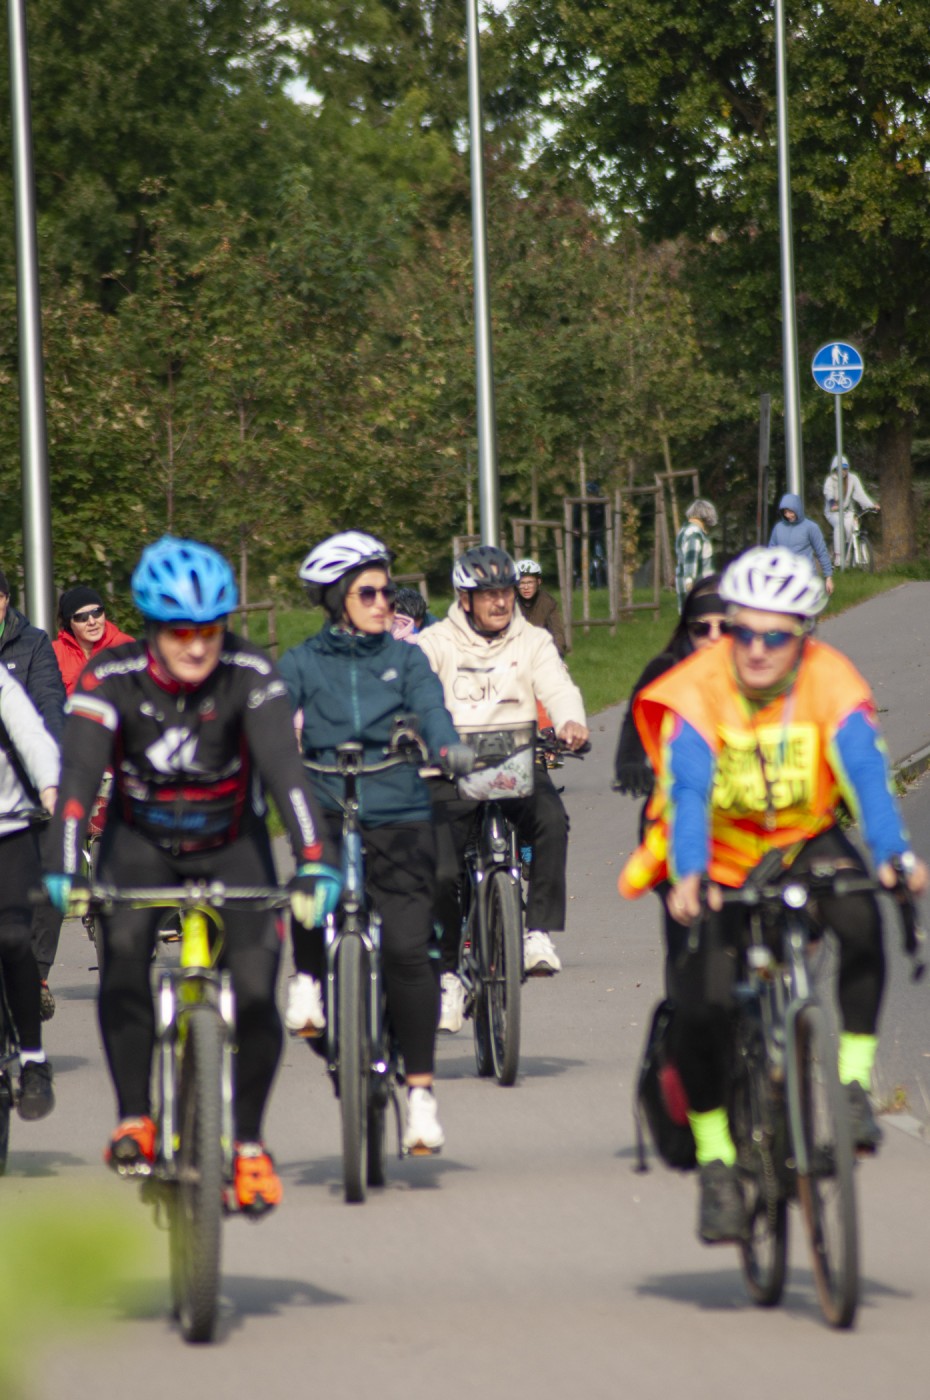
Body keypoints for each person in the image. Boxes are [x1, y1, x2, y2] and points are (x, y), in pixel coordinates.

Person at [619, 547, 927, 1245]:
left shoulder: (829, 680)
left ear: (804, 635)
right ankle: (717, 1164)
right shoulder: (697, 689)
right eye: (742, 632)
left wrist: (893, 854)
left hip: (800, 836)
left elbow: (867, 776)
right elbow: (687, 791)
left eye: (775, 636)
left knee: (862, 919)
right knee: (703, 1006)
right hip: (719, 851)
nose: (756, 649)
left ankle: (852, 1086)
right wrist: (689, 875)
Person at [42, 536, 339, 1218]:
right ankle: (135, 1117)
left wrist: (314, 858)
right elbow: (79, 777)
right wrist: (63, 864)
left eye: (210, 629)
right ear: (151, 628)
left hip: (233, 845)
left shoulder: (250, 672)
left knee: (259, 991)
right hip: (138, 844)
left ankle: (250, 1145)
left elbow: (286, 774)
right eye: (181, 632)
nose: (198, 646)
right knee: (122, 955)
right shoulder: (110, 675)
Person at [278, 532, 468, 1155]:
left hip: (399, 809)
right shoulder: (302, 662)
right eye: (369, 593)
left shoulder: (407, 660)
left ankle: (420, 1097)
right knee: (311, 886)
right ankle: (309, 979)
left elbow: (431, 708)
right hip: (327, 803)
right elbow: (271, 722)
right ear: (338, 598)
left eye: (387, 591)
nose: (384, 602)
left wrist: (446, 745)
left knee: (411, 953)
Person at [417, 545, 588, 1030]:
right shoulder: (435, 643)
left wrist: (570, 720)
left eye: (506, 592)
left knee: (552, 821)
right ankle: (449, 976)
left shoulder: (532, 640)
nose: (500, 602)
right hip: (451, 769)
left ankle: (537, 933)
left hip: (515, 762)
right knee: (439, 870)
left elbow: (557, 685)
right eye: (488, 594)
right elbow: (414, 693)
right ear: (464, 598)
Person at [0, 567, 66, 1022]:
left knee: (47, 881)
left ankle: (37, 974)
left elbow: (48, 706)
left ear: (6, 599)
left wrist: (54, 776)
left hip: (27, 786)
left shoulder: (33, 643)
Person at [0, 664, 59, 1121]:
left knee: (13, 937)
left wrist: (50, 785)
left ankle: (34, 1060)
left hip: (8, 829)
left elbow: (29, 730)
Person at [614, 575, 727, 802]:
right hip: (676, 792)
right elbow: (636, 719)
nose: (714, 637)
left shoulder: (758, 670)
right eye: (701, 628)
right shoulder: (665, 669)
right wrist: (630, 762)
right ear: (688, 630)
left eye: (725, 627)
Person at [52, 586, 135, 694]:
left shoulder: (126, 646)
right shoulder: (54, 653)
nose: (92, 622)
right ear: (69, 623)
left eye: (97, 612)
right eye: (82, 617)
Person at [767, 494, 834, 595]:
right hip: (784, 579)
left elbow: (822, 552)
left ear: (797, 509)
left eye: (791, 512)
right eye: (785, 512)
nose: (788, 515)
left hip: (806, 578)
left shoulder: (811, 528)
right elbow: (771, 553)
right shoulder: (778, 528)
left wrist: (828, 577)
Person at [823, 456, 879, 564]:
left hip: (847, 511)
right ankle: (838, 557)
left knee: (851, 529)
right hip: (833, 512)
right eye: (840, 469)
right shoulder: (830, 480)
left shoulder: (853, 479)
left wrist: (871, 505)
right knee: (839, 525)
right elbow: (828, 493)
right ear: (835, 469)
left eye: (845, 469)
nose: (843, 472)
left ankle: (849, 559)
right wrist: (833, 504)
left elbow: (860, 494)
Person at [515, 558, 567, 657]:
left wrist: (556, 656)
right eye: (522, 583)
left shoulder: (548, 603)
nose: (526, 587)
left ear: (538, 582)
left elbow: (557, 633)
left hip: (541, 653)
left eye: (530, 582)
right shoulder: (510, 602)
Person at [674, 500, 717, 612]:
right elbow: (691, 558)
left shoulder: (684, 530)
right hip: (699, 588)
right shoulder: (694, 533)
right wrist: (690, 584)